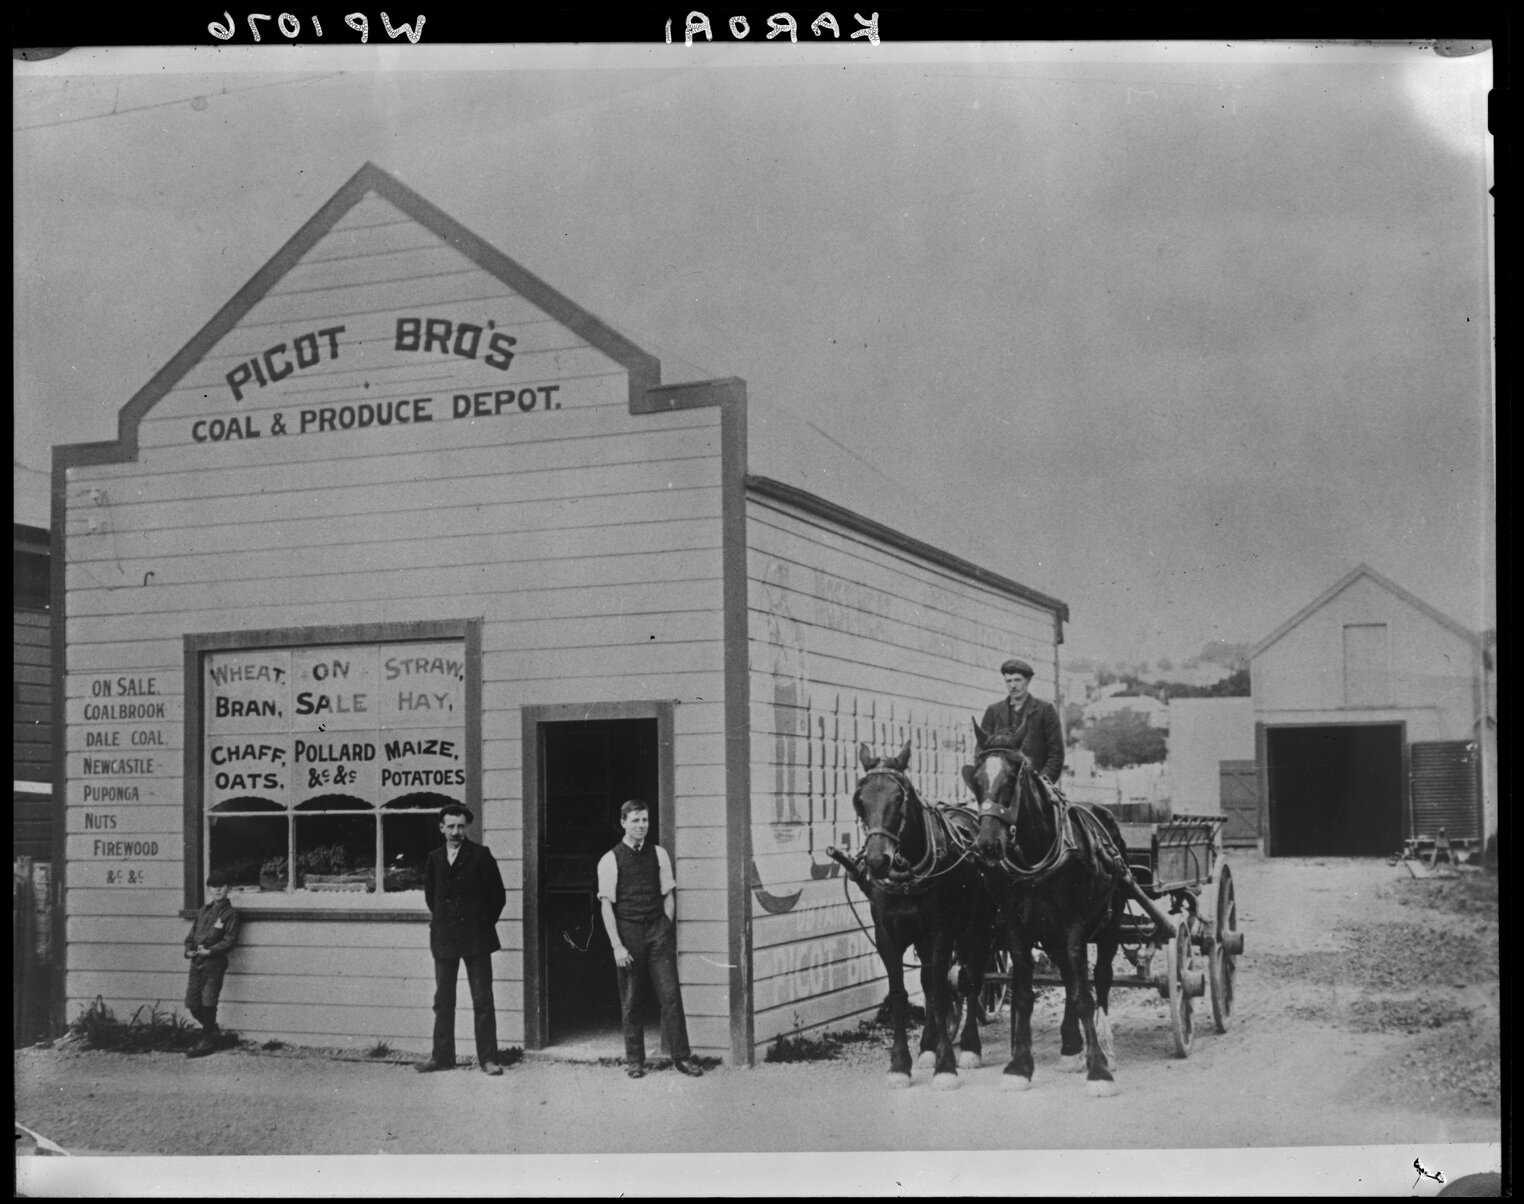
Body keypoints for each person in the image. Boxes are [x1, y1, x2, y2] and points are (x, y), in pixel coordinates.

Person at [596, 799, 703, 1079]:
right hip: (628, 931)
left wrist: (665, 925)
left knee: (670, 995)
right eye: (635, 820)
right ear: (623, 823)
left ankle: (681, 1057)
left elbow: (668, 893)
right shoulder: (610, 859)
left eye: (645, 820)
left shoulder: (658, 854)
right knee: (632, 999)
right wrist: (617, 945)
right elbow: (606, 904)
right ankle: (635, 1060)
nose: (641, 825)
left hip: (657, 930)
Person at [416, 803, 507, 1076]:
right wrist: (447, 923)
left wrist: (479, 923)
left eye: (460, 826)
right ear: (441, 828)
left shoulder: (480, 855)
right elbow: (432, 897)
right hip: (444, 938)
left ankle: (488, 1059)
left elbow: (497, 898)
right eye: (451, 826)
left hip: (477, 939)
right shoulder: (434, 857)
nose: (456, 831)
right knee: (443, 999)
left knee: (482, 999)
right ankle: (442, 1057)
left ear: (467, 827)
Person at [978, 656, 1065, 781]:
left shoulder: (1045, 711)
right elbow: (982, 750)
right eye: (1009, 681)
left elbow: (1056, 754)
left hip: (1035, 786)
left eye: (1018, 680)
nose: (1013, 686)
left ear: (1028, 681)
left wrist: (1043, 782)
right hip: (1001, 786)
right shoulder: (993, 712)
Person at [184, 871, 240, 1058]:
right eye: (214, 886)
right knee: (193, 1003)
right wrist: (189, 949)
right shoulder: (203, 911)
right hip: (197, 962)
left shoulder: (230, 913)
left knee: (209, 1000)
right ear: (208, 889)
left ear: (228, 889)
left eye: (222, 885)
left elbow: (229, 940)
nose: (217, 889)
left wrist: (212, 950)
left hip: (214, 963)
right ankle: (212, 1030)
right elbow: (192, 936)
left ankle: (207, 1041)